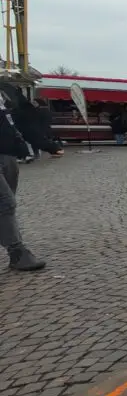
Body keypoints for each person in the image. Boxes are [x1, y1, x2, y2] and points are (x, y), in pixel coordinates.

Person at [0, 95, 44, 271]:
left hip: (7, 155)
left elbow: (10, 123)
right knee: (6, 203)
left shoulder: (4, 95)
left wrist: (21, 145)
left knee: (5, 207)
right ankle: (17, 252)